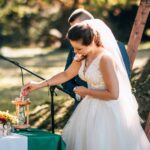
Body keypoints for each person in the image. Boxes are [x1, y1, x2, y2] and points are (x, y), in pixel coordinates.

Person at [21, 19, 150, 150]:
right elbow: (66, 75)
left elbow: (114, 94)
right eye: (74, 48)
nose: (76, 52)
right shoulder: (82, 56)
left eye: (79, 48)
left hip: (109, 112)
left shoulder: (105, 59)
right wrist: (39, 84)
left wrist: (86, 92)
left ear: (92, 41)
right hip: (89, 108)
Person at [62, 8, 131, 110]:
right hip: (83, 104)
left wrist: (89, 92)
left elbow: (125, 75)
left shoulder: (117, 47)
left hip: (110, 107)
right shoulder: (77, 48)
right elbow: (66, 76)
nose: (74, 33)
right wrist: (77, 92)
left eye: (78, 27)